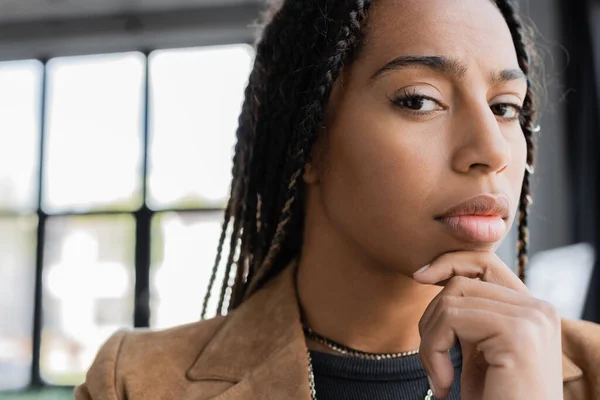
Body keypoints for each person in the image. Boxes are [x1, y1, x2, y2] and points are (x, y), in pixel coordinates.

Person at [75, 0, 600, 399]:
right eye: (419, 100)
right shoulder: (134, 381)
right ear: (309, 142)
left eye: (506, 107)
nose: (491, 149)